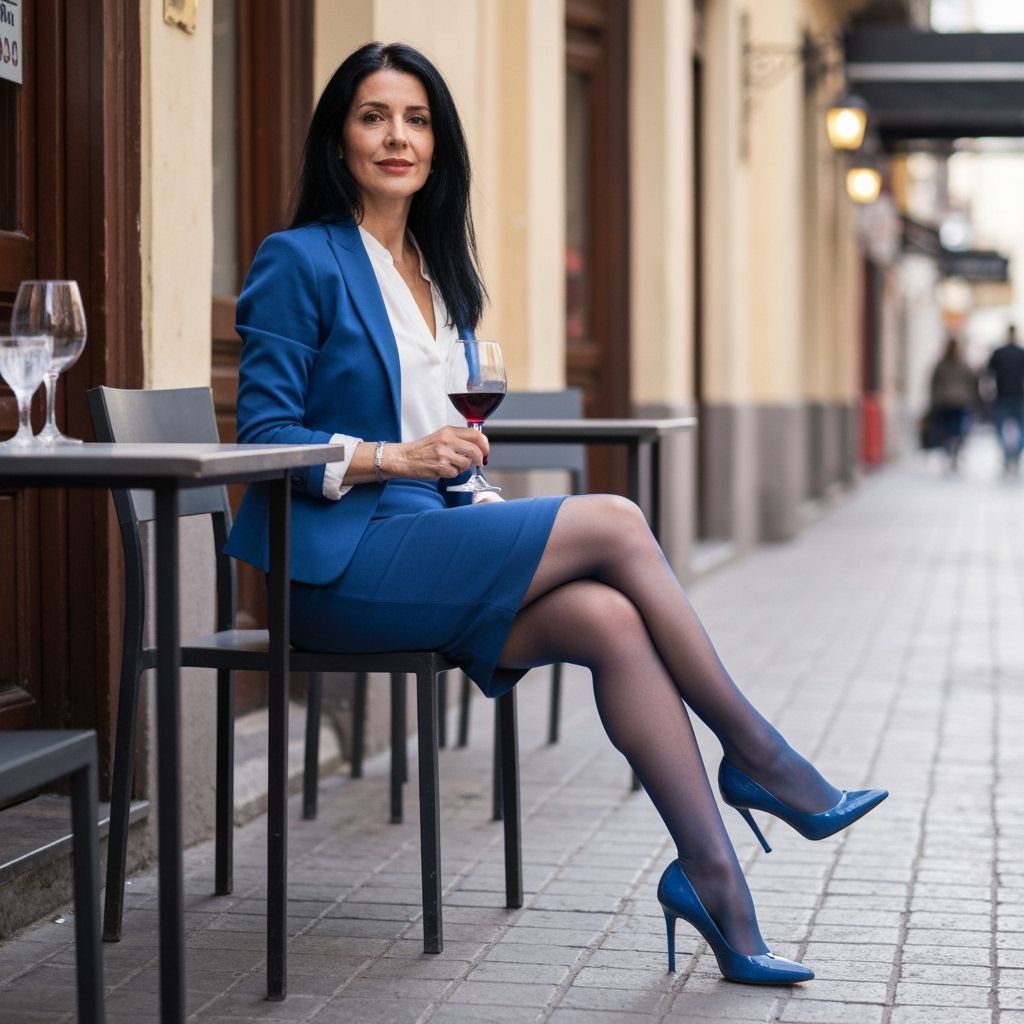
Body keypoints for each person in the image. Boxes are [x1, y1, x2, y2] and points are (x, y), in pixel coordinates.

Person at [225, 41, 887, 985]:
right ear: (339, 139)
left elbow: (444, 445)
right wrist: (392, 458)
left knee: (611, 620)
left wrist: (460, 478)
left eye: (416, 120)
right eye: (374, 116)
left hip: (423, 534)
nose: (397, 137)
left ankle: (717, 890)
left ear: (439, 147)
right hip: (338, 565)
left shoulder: (436, 269)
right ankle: (764, 760)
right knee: (615, 520)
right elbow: (263, 436)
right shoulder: (299, 260)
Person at [927, 337, 977, 471]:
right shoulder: (963, 364)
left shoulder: (942, 364)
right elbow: (972, 382)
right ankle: (954, 448)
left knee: (946, 428)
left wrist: (934, 399)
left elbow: (933, 383)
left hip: (945, 400)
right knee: (958, 428)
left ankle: (949, 447)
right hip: (959, 401)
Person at [986, 324, 1024, 473]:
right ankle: (1016, 454)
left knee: (1000, 429)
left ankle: (1007, 455)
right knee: (1021, 427)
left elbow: (988, 373)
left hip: (1002, 395)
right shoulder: (1021, 353)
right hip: (1019, 395)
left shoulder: (998, 353)